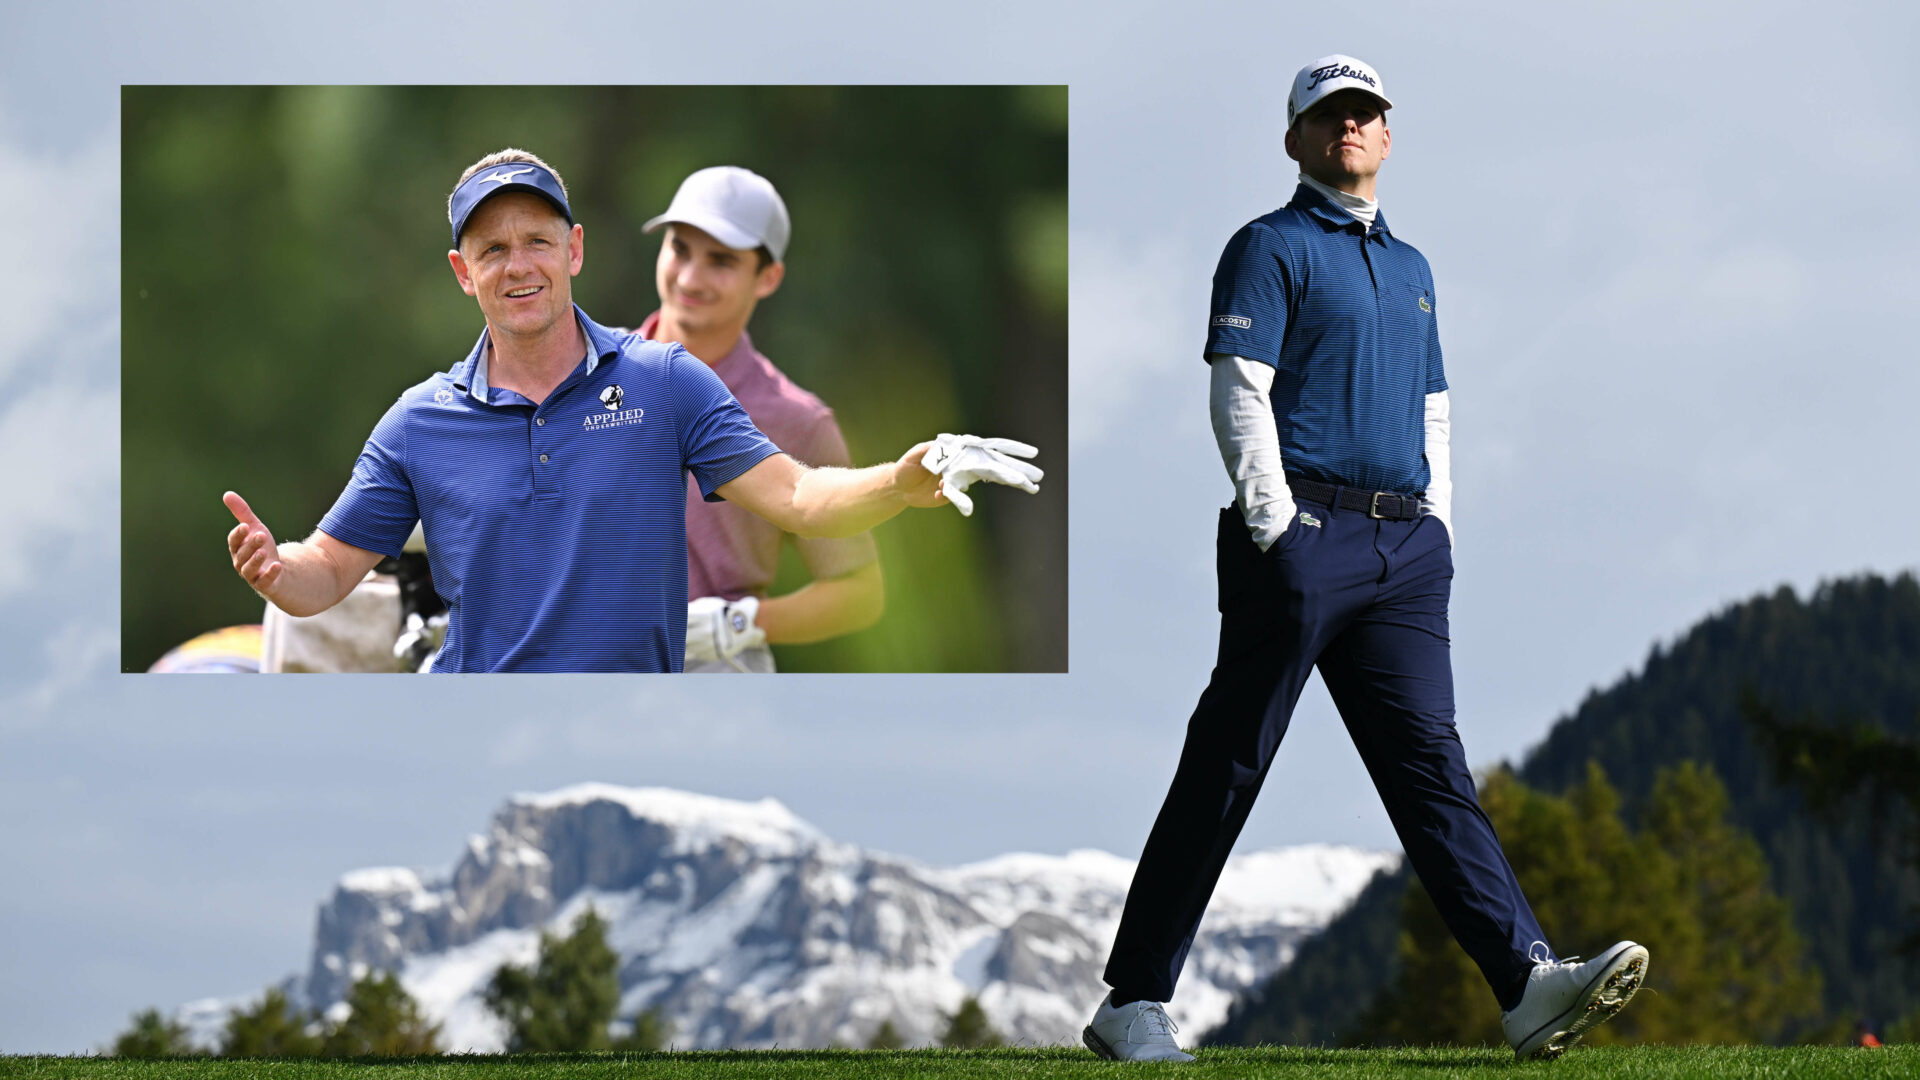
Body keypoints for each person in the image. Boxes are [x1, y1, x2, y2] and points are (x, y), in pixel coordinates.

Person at [1082, 56, 1646, 1063]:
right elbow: (1239, 387)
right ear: (1295, 138)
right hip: (1302, 540)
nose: (1348, 126)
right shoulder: (1269, 246)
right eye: (1328, 114)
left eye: (1364, 112)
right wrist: (1274, 526)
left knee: (1431, 767)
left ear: (1388, 135)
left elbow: (1433, 410)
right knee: (1231, 762)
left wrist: (1441, 533)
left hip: (1405, 550)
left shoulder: (1416, 269)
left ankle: (1524, 984)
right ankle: (1134, 1001)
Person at [223, 149, 1041, 673]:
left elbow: (801, 499)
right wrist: (278, 570)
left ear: (574, 250)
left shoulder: (669, 382)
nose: (519, 266)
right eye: (492, 250)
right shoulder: (420, 419)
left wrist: (900, 481)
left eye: (538, 241)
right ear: (460, 272)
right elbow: (325, 572)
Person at [634, 166, 883, 673]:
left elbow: (859, 592)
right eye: (680, 249)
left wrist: (737, 623)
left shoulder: (796, 421)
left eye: (721, 261)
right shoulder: (586, 371)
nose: (689, 278)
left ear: (767, 278)